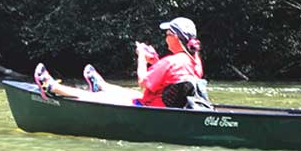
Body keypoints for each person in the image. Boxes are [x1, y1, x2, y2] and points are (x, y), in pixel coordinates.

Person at [34, 17, 204, 108]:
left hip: (152, 108)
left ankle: (52, 87)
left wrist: (142, 57)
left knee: (98, 98)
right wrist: (155, 61)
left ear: (175, 37)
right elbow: (170, 78)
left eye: (167, 33)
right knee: (127, 93)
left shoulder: (171, 61)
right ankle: (102, 84)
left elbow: (143, 82)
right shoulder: (195, 62)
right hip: (163, 105)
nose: (165, 37)